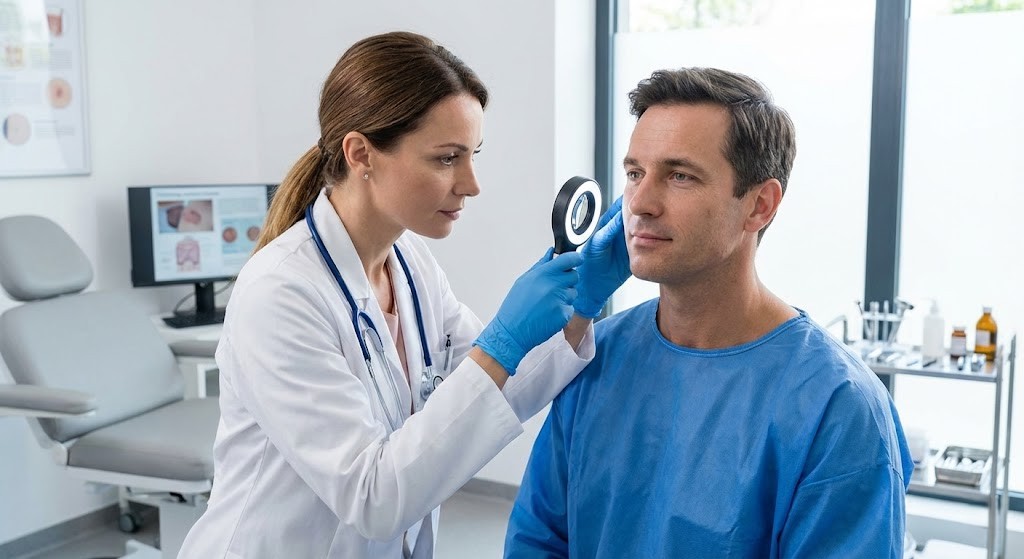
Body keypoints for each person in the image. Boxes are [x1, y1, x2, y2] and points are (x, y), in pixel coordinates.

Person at [178, 31, 627, 558]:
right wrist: (500, 342)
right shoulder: (279, 293)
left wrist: (582, 305)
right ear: (361, 153)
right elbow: (372, 498)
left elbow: (498, 389)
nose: (471, 183)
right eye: (446, 159)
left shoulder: (411, 266)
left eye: (472, 154)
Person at [505, 67, 914, 558]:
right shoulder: (594, 357)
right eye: (635, 173)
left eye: (680, 176)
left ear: (759, 206)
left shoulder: (838, 408)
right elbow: (538, 539)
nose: (640, 204)